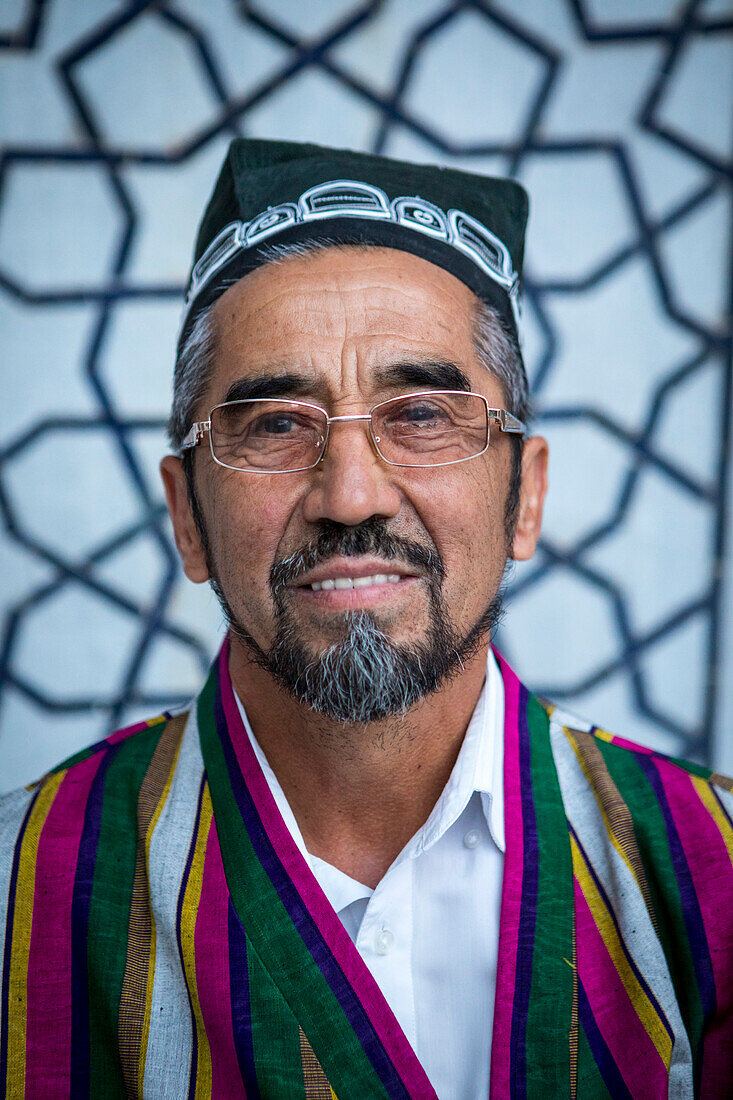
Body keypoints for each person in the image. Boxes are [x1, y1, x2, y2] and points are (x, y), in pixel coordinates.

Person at [1, 140, 731, 1100]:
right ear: (186, 518)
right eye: (273, 425)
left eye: (422, 415)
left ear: (525, 498)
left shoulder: (709, 877)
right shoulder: (23, 886)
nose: (350, 495)